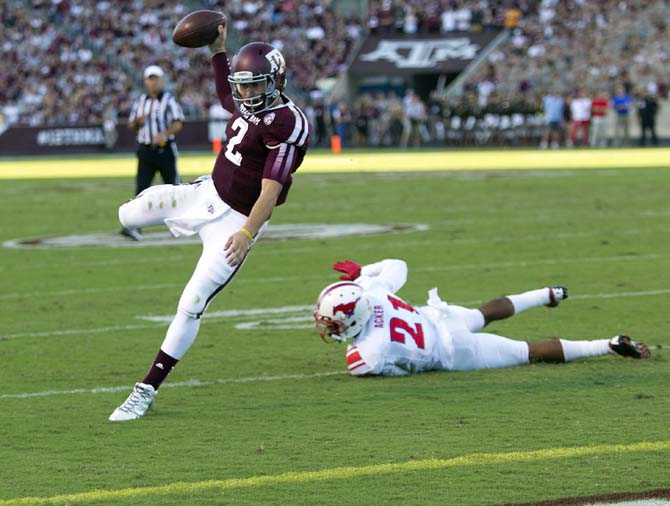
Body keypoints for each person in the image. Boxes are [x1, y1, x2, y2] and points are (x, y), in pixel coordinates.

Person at [109, 22, 310, 421]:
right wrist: (217, 49)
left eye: (254, 86)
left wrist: (247, 232)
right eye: (243, 85)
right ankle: (170, 203)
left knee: (192, 303)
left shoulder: (287, 123)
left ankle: (146, 389)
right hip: (205, 193)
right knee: (127, 214)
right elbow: (224, 93)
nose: (246, 93)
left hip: (236, 220)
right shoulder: (245, 99)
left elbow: (269, 191)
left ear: (276, 81)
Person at [313, 259, 650, 377]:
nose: (331, 328)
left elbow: (366, 365)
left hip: (452, 353)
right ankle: (548, 294)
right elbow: (397, 264)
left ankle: (606, 345)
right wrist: (362, 274)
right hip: (441, 317)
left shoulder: (366, 354)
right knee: (483, 313)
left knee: (526, 351)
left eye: (334, 323)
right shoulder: (370, 291)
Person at [122, 65, 185, 241]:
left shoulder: (169, 100)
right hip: (145, 151)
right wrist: (137, 123)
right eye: (150, 79)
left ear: (161, 80)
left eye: (156, 78)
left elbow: (178, 122)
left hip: (165, 150)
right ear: (145, 81)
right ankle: (134, 227)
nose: (153, 82)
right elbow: (131, 125)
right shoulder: (140, 101)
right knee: (141, 189)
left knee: (174, 189)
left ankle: (179, 225)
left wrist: (164, 134)